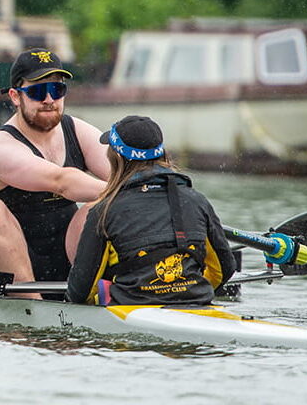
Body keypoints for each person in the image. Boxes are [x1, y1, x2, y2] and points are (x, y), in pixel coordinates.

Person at [0, 49, 110, 295]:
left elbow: (126, 170)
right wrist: (130, 190)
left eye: (57, 90)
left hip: (66, 253)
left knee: (99, 206)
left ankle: (88, 294)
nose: (49, 99)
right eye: (38, 92)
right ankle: (30, 302)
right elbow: (61, 181)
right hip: (1, 260)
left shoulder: (77, 130)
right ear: (15, 97)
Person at [66, 115, 237, 305]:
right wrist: (188, 291)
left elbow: (80, 291)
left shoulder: (104, 212)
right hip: (196, 303)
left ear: (117, 158)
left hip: (128, 312)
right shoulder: (196, 201)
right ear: (161, 154)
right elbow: (224, 268)